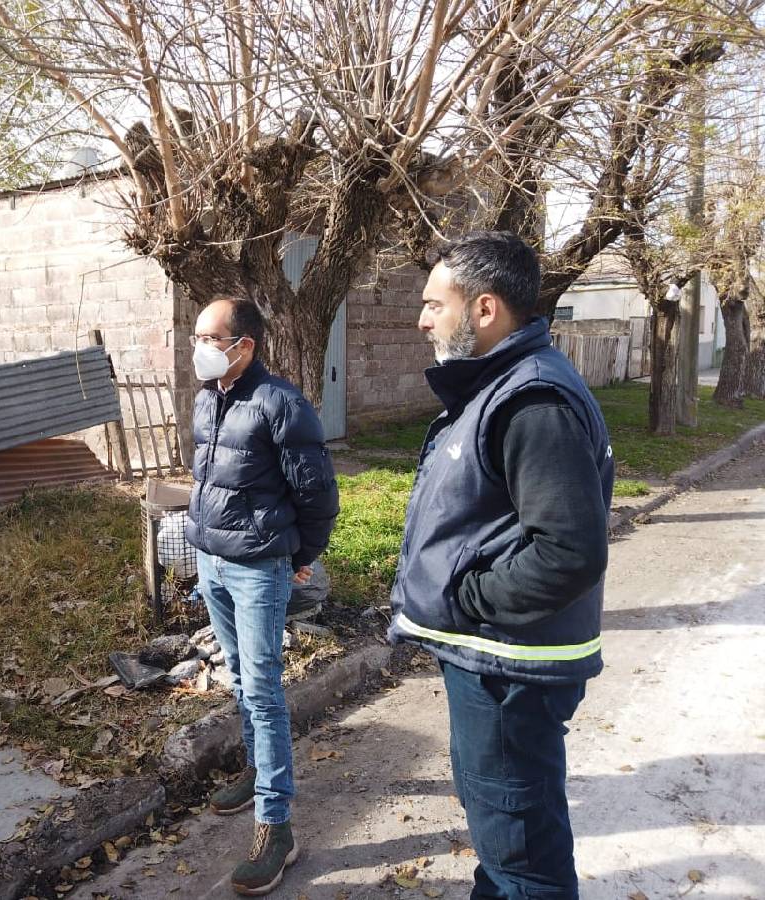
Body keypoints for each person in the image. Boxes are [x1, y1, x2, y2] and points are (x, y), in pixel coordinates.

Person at [390, 232, 614, 899]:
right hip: (493, 663)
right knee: (502, 839)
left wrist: (466, 598)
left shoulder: (530, 399)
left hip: (510, 667)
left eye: (435, 303)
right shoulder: (498, 386)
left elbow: (568, 551)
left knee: (523, 860)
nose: (423, 318)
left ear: (484, 309)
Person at [184, 296, 339, 896]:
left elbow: (318, 496)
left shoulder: (282, 404)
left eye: (208, 336)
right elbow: (209, 477)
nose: (197, 345)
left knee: (266, 689)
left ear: (242, 346)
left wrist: (296, 559)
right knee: (241, 679)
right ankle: (255, 769)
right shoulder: (206, 399)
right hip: (212, 561)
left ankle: (276, 827)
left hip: (257, 568)